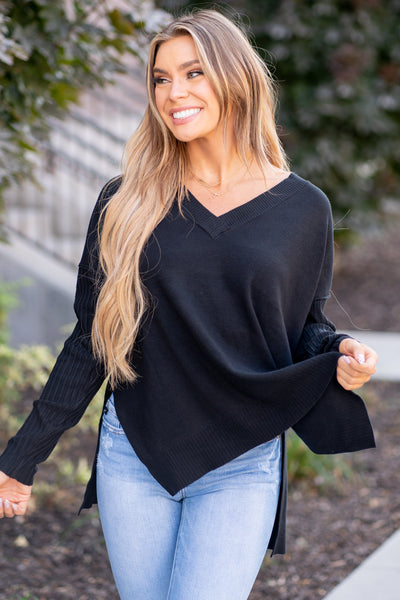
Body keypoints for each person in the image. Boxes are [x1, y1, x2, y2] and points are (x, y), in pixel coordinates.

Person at [0, 9, 378, 600]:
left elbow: (302, 328)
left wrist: (340, 351)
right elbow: (93, 339)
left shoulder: (304, 208)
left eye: (194, 73)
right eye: (161, 78)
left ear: (235, 79)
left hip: (242, 457)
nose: (174, 93)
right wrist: (22, 455)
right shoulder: (125, 202)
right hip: (135, 453)